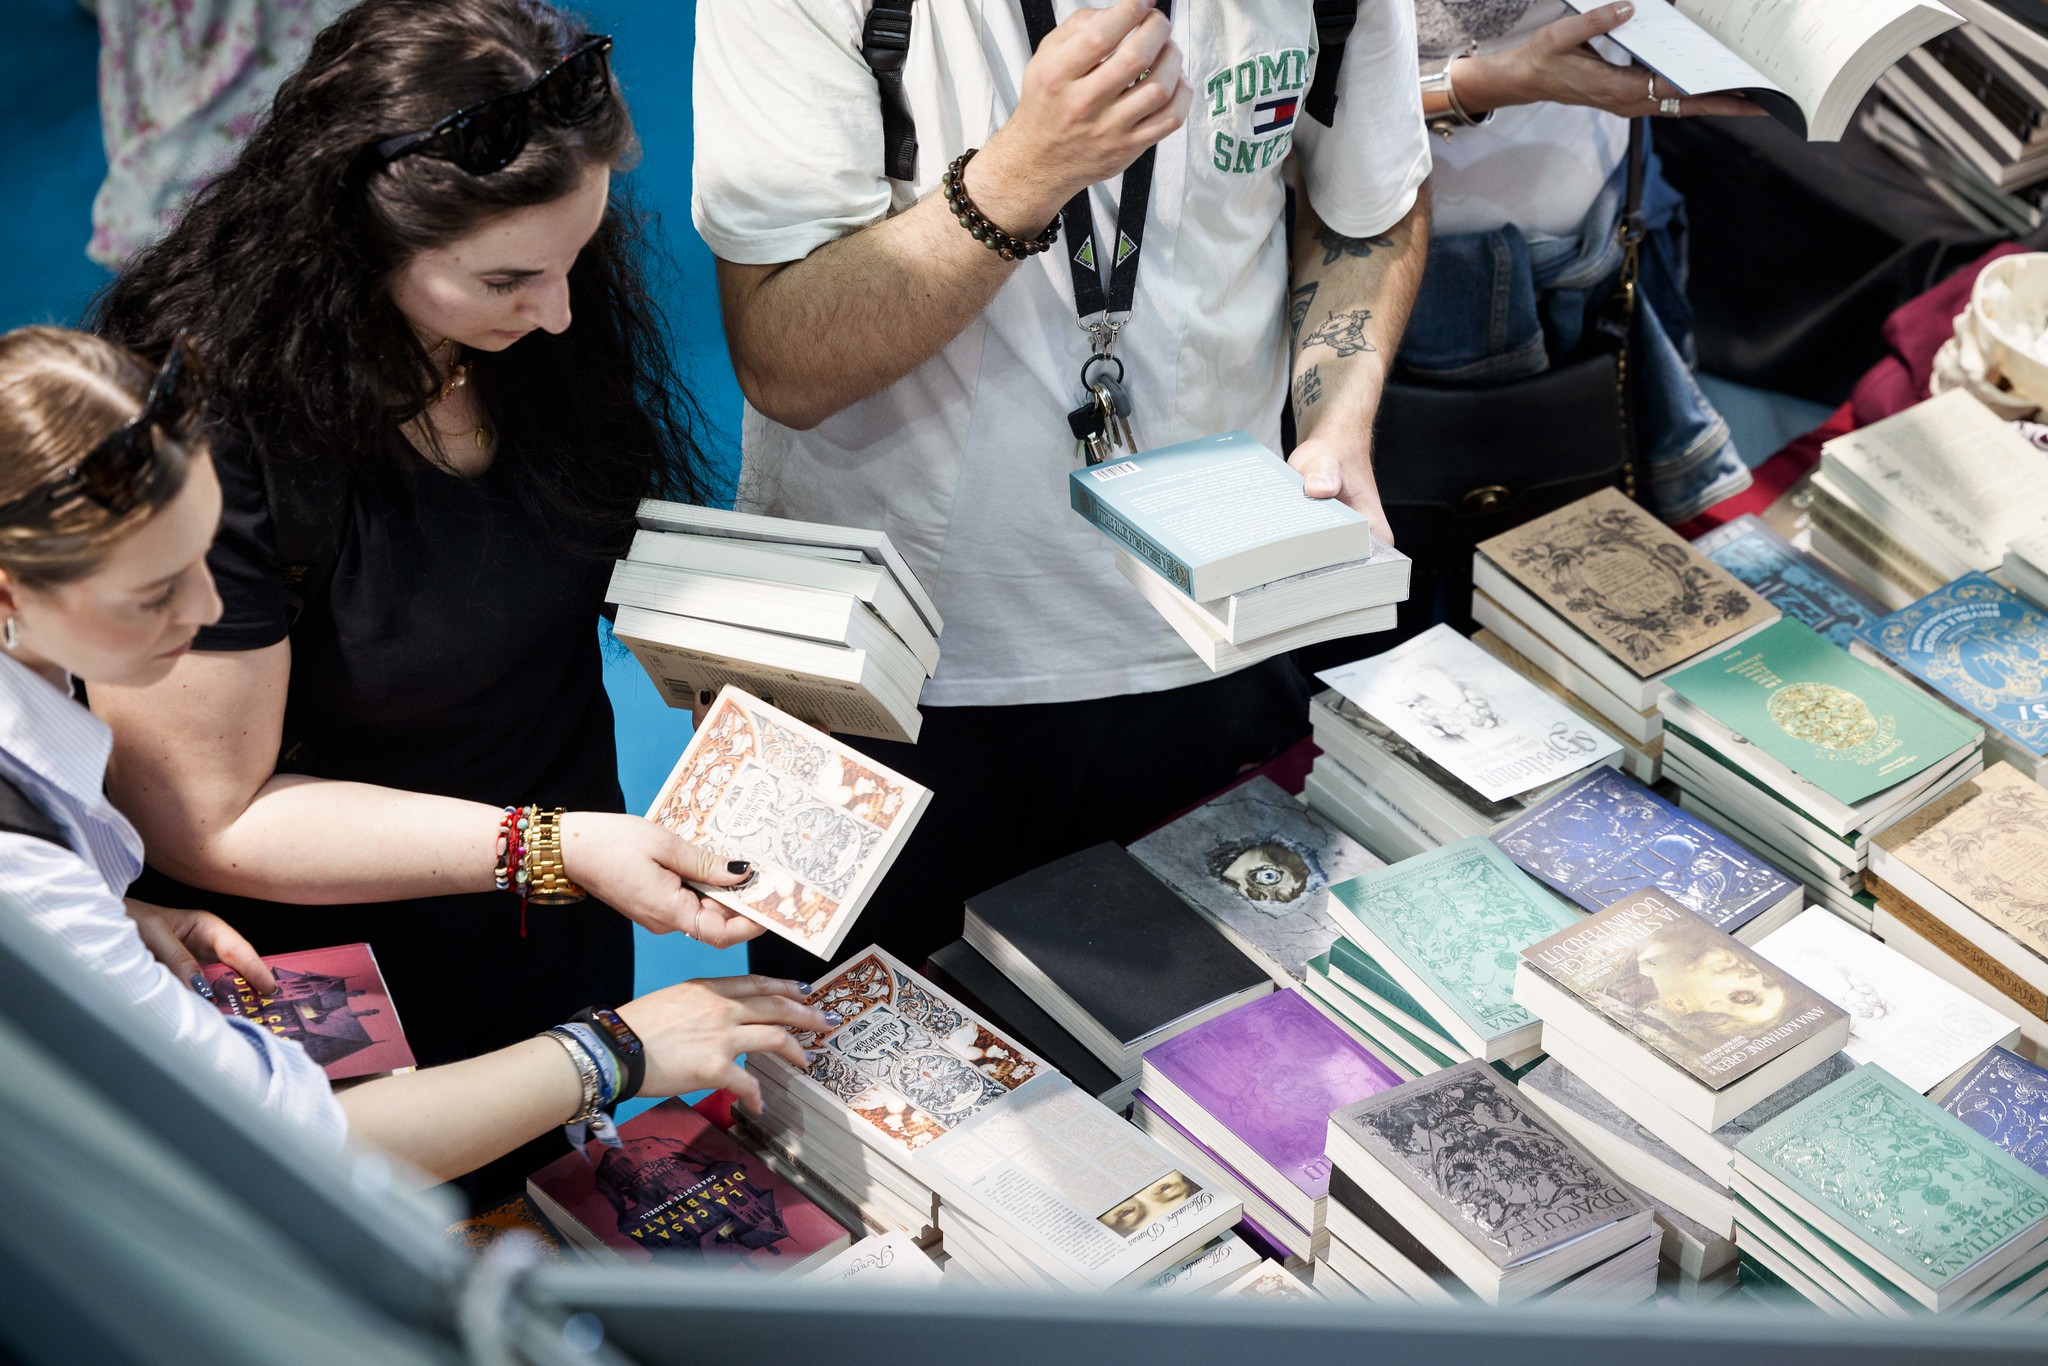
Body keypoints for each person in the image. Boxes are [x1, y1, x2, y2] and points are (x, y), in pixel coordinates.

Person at [88, 0, 764, 1202]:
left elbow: (585, 552)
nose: (557, 311)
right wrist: (554, 847)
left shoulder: (538, 312)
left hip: (552, 903)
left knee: (552, 1200)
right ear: (356, 241)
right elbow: (212, 816)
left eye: (578, 258)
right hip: (335, 965)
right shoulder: (218, 418)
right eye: (509, 278)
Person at [692, 0, 1433, 980]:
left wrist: (1335, 422)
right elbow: (784, 360)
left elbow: (1370, 208)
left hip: (1212, 631)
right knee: (850, 1098)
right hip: (873, 670)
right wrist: (1022, 173)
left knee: (1225, 1071)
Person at [0, 324, 834, 1186]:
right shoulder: (18, 874)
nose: (210, 608)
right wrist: (617, 1049)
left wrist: (112, 920)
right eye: (154, 592)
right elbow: (284, 1143)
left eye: (206, 553)